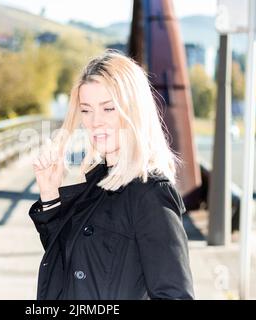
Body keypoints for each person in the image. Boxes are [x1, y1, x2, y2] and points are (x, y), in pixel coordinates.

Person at [29, 49, 194, 300]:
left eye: (108, 109)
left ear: (133, 110)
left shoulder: (151, 194)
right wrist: (50, 194)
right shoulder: (98, 183)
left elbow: (175, 296)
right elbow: (72, 265)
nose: (95, 122)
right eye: (86, 110)